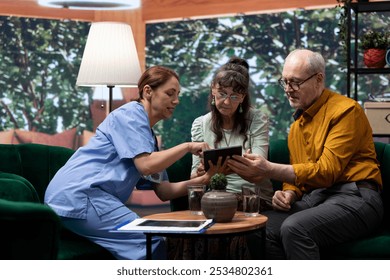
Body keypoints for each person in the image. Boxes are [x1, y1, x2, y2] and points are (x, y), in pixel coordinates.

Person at [44, 65, 214, 260]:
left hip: (86, 198)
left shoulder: (148, 138)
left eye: (177, 95)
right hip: (80, 196)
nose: (176, 101)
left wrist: (206, 178)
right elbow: (146, 165)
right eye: (170, 93)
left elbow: (165, 192)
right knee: (151, 241)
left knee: (154, 240)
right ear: (148, 91)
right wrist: (187, 146)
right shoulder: (129, 115)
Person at [227, 49, 384, 259]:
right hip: (318, 198)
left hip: (357, 197)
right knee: (257, 228)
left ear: (318, 79)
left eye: (295, 82)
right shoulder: (296, 127)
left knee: (295, 227)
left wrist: (268, 168)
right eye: (284, 82)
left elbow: (326, 172)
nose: (288, 90)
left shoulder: (347, 111)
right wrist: (289, 193)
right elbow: (300, 175)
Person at [191, 56, 274, 210]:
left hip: (253, 196)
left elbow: (259, 172)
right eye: (222, 94)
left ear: (242, 98)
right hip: (216, 196)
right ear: (213, 89)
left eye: (234, 96)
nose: (227, 102)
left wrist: (226, 169)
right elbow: (194, 178)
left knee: (222, 207)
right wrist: (203, 174)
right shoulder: (200, 124)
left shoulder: (257, 119)